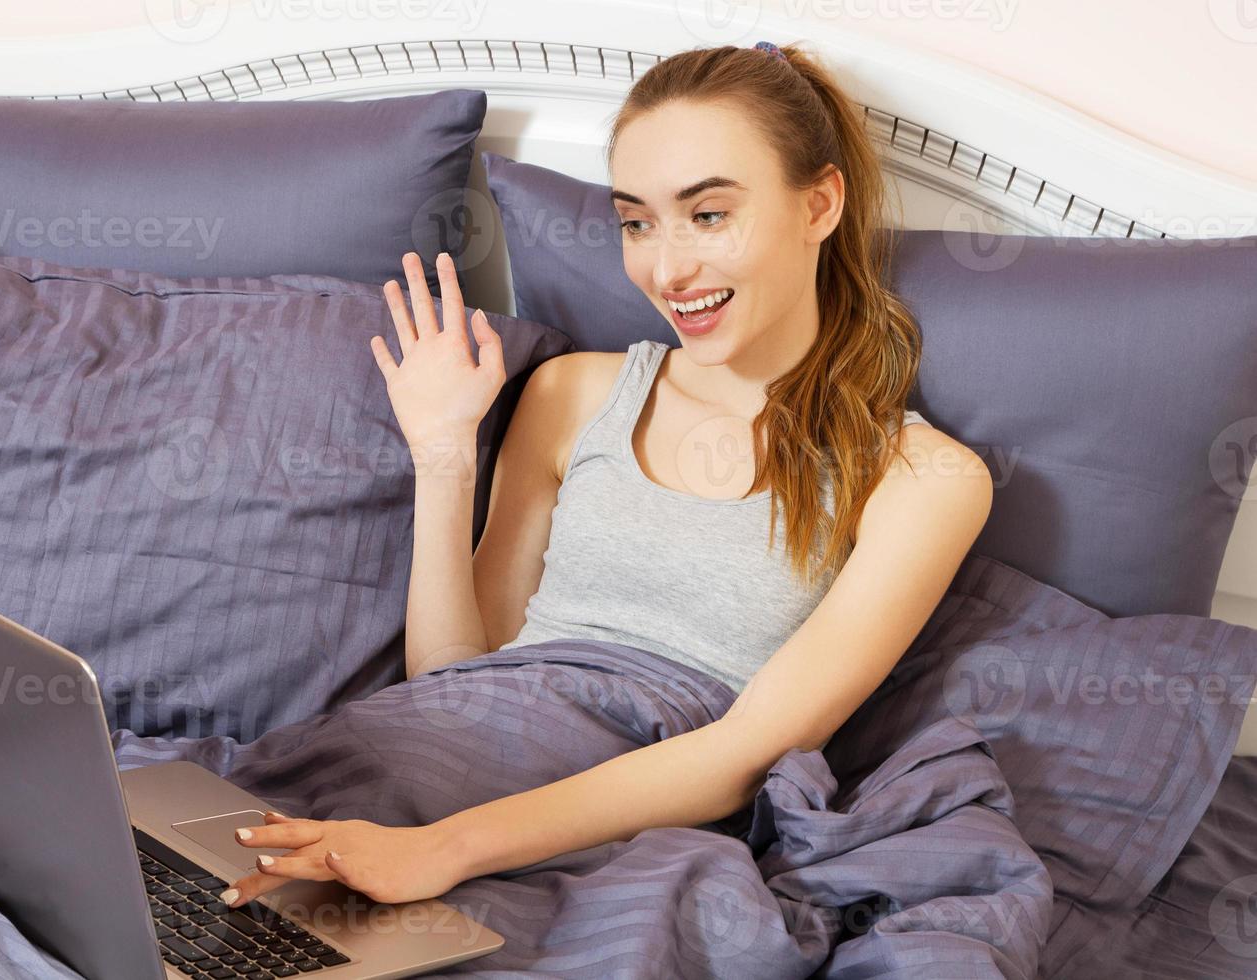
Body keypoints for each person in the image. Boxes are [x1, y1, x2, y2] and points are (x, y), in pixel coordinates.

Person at [217, 41, 993, 910]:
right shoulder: (574, 392)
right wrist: (442, 455)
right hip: (425, 767)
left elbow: (746, 755)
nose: (667, 269)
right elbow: (457, 681)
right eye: (637, 222)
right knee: (170, 875)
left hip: (594, 834)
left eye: (708, 215)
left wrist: (447, 850)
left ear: (819, 204)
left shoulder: (923, 477)